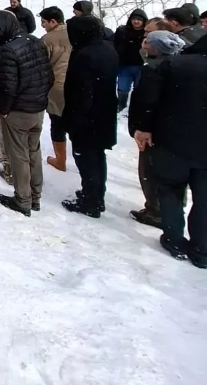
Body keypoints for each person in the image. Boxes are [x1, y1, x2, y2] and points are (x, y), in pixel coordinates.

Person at [128, 34, 206, 268]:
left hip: (172, 141)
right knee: (204, 199)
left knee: (170, 190)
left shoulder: (173, 65)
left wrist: (144, 128)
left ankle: (174, 238)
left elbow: (149, 101)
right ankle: (202, 249)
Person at [0, 10, 53, 216]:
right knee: (33, 151)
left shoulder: (7, 50)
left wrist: (4, 110)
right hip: (37, 108)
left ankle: (23, 199)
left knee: (18, 156)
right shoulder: (36, 42)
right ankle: (35, 195)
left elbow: (7, 86)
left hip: (17, 111)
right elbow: (48, 75)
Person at [61, 16, 119, 218]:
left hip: (87, 118)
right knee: (97, 157)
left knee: (87, 160)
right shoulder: (107, 48)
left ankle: (90, 202)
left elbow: (82, 93)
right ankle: (96, 195)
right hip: (104, 113)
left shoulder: (85, 55)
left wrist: (75, 120)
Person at [128, 27, 185, 228]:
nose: (142, 44)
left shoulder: (154, 70)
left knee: (150, 171)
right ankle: (165, 207)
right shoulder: (178, 66)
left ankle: (156, 210)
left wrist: (143, 127)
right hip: (170, 129)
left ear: (157, 48)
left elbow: (148, 102)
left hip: (153, 131)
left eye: (147, 42)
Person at [39, 6, 71, 172]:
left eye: (44, 22)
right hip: (77, 85)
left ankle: (60, 160)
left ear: (53, 21)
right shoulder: (76, 34)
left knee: (57, 124)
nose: (42, 25)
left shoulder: (47, 40)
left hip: (56, 87)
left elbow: (42, 67)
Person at [113, 9, 147, 112]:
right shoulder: (122, 31)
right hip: (124, 65)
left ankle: (136, 107)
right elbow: (114, 44)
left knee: (139, 88)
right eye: (134, 19)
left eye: (139, 20)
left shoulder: (147, 33)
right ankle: (121, 105)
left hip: (140, 65)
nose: (136, 21)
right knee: (123, 87)